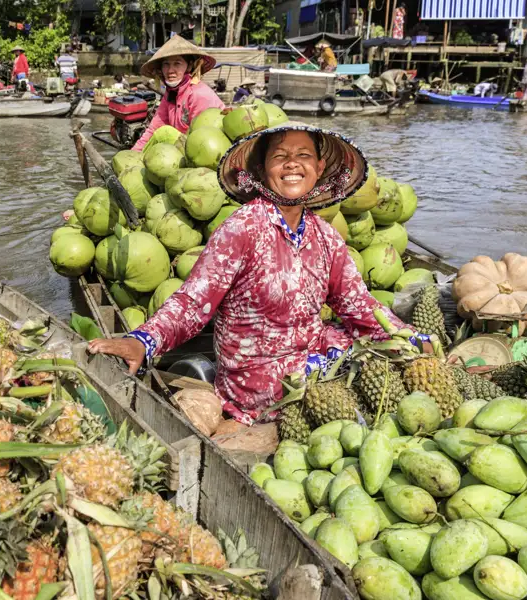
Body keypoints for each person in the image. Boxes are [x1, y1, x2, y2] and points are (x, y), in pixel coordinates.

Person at [90, 121, 430, 425]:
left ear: (319, 167)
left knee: (376, 349)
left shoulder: (325, 237)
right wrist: (143, 341)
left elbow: (359, 305)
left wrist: (413, 340)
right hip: (259, 379)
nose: (293, 164)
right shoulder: (242, 229)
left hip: (311, 357)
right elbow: (193, 303)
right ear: (262, 169)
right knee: (358, 372)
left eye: (304, 156)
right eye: (280, 156)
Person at [132, 35, 225, 151]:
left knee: (166, 132)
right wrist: (133, 154)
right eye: (166, 64)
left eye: (177, 63)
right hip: (186, 147)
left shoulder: (198, 94)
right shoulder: (170, 93)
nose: (170, 71)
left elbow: (201, 140)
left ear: (190, 65)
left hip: (207, 150)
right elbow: (154, 128)